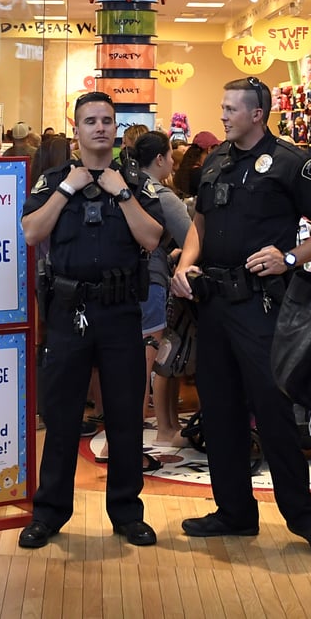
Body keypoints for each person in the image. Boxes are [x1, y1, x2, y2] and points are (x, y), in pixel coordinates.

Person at [170, 77, 311, 557]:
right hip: (212, 305)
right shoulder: (215, 161)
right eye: (222, 106)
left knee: (273, 413)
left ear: (257, 114)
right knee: (221, 410)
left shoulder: (291, 163)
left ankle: (303, 518)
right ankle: (234, 512)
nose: (223, 115)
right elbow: (199, 226)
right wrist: (186, 263)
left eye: (231, 109)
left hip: (263, 306)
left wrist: (290, 257)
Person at [19, 96, 167, 548]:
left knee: (124, 417)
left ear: (117, 128)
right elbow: (30, 232)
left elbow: (153, 237)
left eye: (106, 121)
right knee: (62, 418)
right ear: (76, 129)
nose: (99, 128)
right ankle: (49, 513)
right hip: (68, 312)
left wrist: (120, 192)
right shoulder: (52, 180)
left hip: (121, 312)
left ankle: (126, 513)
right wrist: (67, 189)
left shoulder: (138, 182)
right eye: (90, 121)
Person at [131, 131, 192, 452]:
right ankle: (142, 437)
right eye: (169, 156)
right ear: (159, 160)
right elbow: (192, 240)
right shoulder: (162, 197)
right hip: (152, 283)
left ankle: (141, 434)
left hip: (128, 284)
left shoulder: (127, 186)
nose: (172, 161)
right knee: (155, 358)